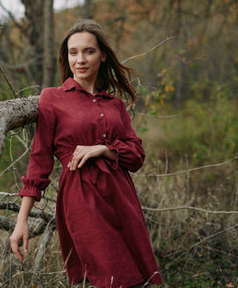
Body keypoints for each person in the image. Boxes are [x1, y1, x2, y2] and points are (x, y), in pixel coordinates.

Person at [9, 20, 163, 288]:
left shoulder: (115, 105)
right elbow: (39, 162)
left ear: (103, 56)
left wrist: (104, 149)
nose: (80, 59)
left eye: (88, 51)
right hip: (82, 197)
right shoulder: (53, 98)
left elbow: (137, 156)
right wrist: (21, 220)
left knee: (136, 276)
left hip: (122, 196)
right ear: (66, 56)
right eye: (73, 52)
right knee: (105, 277)